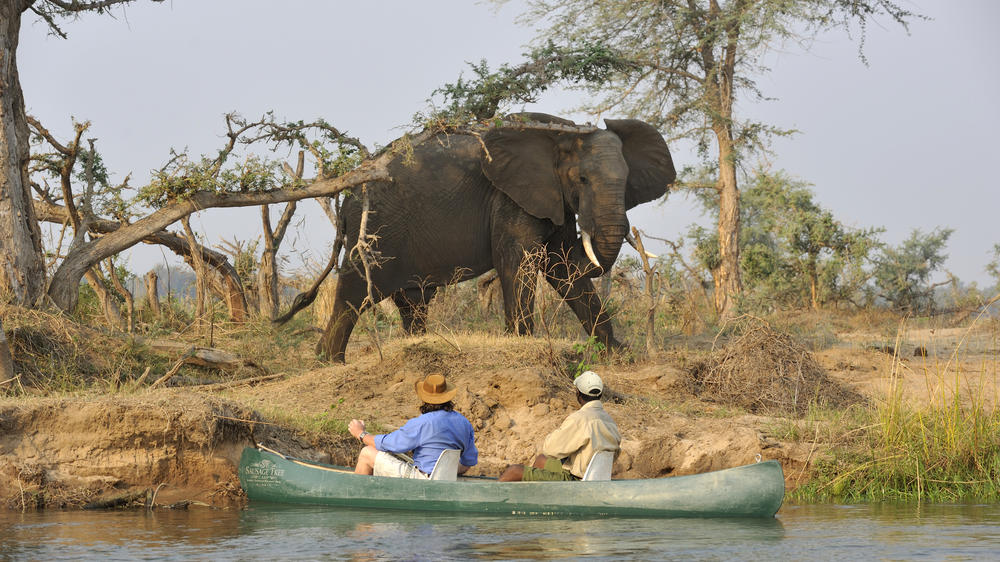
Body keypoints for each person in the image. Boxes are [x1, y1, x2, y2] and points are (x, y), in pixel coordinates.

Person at [348, 373, 478, 479]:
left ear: (424, 398)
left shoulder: (422, 422)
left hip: (422, 479)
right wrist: (443, 473)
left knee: (367, 453)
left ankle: (354, 496)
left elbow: (389, 444)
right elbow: (467, 463)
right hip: (446, 478)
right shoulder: (464, 423)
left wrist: (361, 434)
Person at [498, 370, 620, 481]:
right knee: (541, 460)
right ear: (600, 394)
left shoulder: (579, 418)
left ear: (577, 393)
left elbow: (550, 449)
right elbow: (614, 454)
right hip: (595, 479)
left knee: (514, 471)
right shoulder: (610, 421)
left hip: (575, 481)